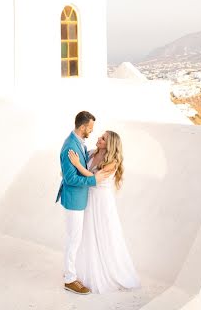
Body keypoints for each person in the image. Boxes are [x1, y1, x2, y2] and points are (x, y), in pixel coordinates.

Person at [68, 130, 141, 294]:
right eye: (100, 136)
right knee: (87, 234)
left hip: (101, 202)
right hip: (87, 199)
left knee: (104, 234)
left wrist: (77, 164)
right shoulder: (92, 153)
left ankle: (107, 271)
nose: (99, 139)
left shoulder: (113, 163)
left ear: (110, 144)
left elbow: (94, 179)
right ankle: (83, 270)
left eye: (103, 138)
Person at [55, 111, 109, 295]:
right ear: (83, 127)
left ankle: (70, 272)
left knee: (75, 238)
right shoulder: (70, 146)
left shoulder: (79, 143)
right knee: (73, 239)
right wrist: (94, 180)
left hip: (79, 199)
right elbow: (70, 179)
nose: (92, 132)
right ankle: (70, 279)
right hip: (74, 200)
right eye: (91, 128)